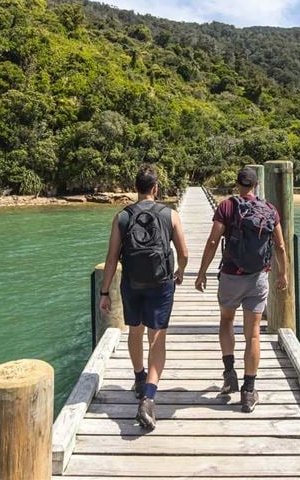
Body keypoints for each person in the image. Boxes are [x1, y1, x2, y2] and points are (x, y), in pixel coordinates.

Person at [99, 165, 188, 429]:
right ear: (156, 188)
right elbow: (184, 253)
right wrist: (180, 272)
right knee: (157, 337)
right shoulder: (169, 214)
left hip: (131, 284)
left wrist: (105, 292)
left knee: (134, 332)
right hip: (161, 283)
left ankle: (139, 378)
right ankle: (148, 397)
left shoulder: (122, 217)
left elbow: (112, 258)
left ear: (135, 188)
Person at [195, 166, 288, 413]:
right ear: (256, 185)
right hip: (258, 277)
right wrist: (283, 273)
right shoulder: (269, 209)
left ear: (237, 185)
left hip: (230, 275)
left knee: (226, 320)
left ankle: (229, 373)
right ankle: (248, 391)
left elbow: (214, 240)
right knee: (253, 333)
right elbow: (279, 245)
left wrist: (202, 271)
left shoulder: (227, 206)